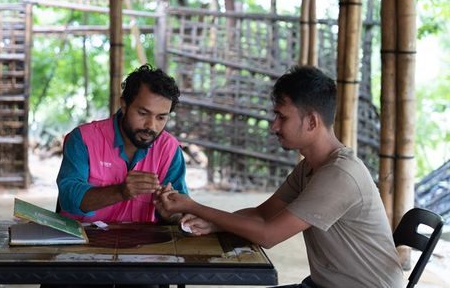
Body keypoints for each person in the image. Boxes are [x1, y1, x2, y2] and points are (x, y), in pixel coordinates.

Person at [156, 65, 404, 288]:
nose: (274, 126)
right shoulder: (310, 167)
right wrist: (215, 223)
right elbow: (263, 214)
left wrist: (193, 206)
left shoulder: (339, 176)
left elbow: (268, 234)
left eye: (282, 117)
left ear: (311, 122)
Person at [56, 63, 188, 224]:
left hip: (141, 246)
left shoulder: (170, 150)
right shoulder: (83, 139)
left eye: (161, 117)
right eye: (143, 113)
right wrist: (120, 192)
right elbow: (68, 199)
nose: (151, 126)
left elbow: (180, 214)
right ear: (124, 105)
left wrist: (170, 214)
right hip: (83, 244)